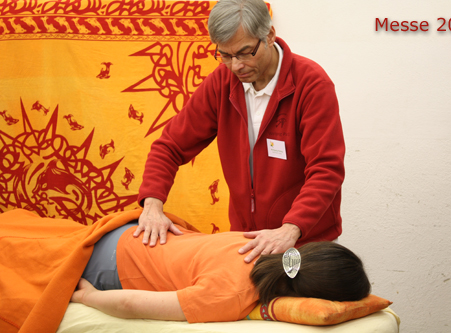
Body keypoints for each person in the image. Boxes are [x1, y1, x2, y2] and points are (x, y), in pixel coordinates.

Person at [137, 0, 346, 263]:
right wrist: (152, 205)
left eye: (246, 52)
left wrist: (291, 228)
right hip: (246, 240)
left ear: (269, 36)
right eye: (225, 55)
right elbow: (170, 146)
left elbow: (326, 169)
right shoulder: (221, 83)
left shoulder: (311, 84)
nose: (236, 66)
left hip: (303, 240)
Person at [72, 220, 370, 323]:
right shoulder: (233, 296)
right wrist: (88, 298)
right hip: (112, 264)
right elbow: (129, 303)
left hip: (131, 233)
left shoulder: (266, 244)